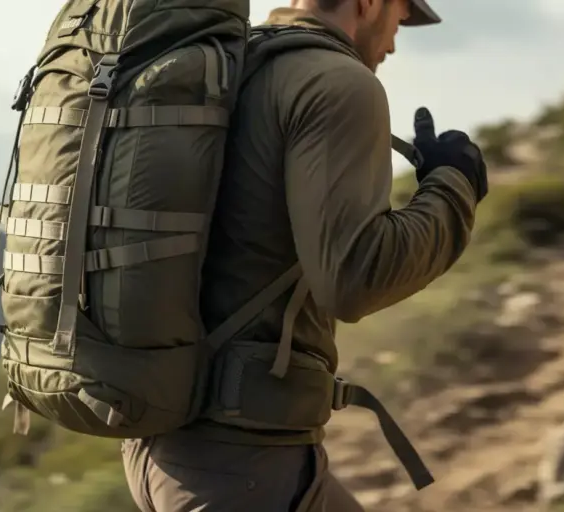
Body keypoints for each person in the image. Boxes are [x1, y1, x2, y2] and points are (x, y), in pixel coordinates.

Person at [121, 0, 489, 510]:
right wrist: (453, 186)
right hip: (243, 467)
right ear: (368, 3)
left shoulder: (231, 67)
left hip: (166, 448)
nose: (396, 39)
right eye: (401, 15)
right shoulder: (336, 80)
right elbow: (356, 277)